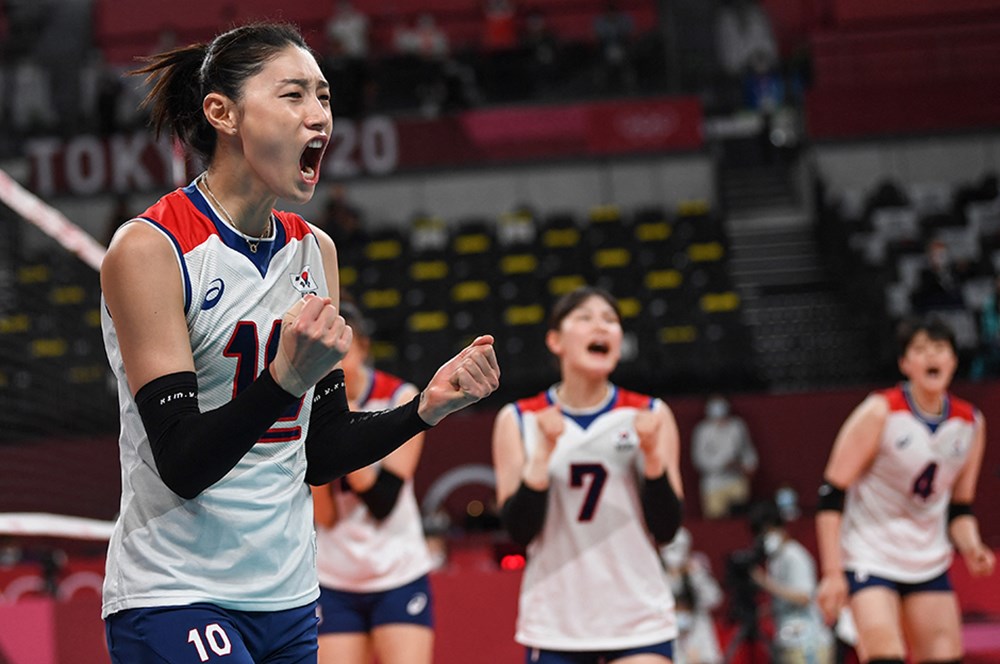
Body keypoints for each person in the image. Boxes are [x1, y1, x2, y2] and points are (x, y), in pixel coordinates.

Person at [99, 22, 500, 664]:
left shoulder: (315, 252)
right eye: (294, 96)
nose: (319, 117)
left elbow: (322, 450)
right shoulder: (152, 248)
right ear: (222, 112)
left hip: (287, 598)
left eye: (325, 97)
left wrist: (425, 407)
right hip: (177, 592)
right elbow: (180, 463)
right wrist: (283, 379)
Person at [491, 285, 684, 663]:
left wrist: (653, 459)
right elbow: (519, 532)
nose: (602, 327)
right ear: (555, 340)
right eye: (585, 317)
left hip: (637, 615)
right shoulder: (518, 419)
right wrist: (541, 458)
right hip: (557, 620)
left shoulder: (651, 414)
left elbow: (666, 530)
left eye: (611, 320)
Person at [815, 316, 994, 664]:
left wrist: (972, 547)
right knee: (885, 655)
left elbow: (960, 509)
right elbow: (830, 494)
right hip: (870, 554)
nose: (932, 357)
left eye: (940, 349)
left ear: (954, 361)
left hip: (927, 558)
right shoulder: (880, 411)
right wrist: (832, 574)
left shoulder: (970, 423)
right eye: (921, 349)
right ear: (905, 363)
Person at [311, 297, 435, 664]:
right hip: (334, 576)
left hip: (397, 570)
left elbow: (383, 500)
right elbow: (327, 516)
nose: (334, 364)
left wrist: (341, 439)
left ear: (362, 347)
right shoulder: (309, 407)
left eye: (342, 351)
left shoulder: (401, 397)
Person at [748, 501, 834, 664]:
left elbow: (804, 597)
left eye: (766, 532)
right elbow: (787, 596)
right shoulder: (775, 560)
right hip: (787, 639)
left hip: (807, 643)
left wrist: (764, 582)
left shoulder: (794, 555)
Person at [661, 528, 724, 664]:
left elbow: (714, 599)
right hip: (674, 642)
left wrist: (696, 575)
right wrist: (672, 576)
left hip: (699, 636)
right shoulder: (659, 577)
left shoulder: (696, 571)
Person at [690, 394, 758, 519]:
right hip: (713, 484)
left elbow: (747, 450)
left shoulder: (737, 426)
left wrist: (750, 465)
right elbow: (699, 460)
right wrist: (723, 464)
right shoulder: (702, 430)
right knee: (717, 523)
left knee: (741, 519)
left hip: (736, 481)